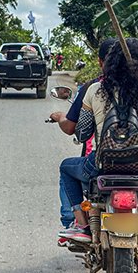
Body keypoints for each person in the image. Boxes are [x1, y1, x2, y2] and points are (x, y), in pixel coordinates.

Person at [57, 38, 138, 246]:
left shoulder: (95, 89)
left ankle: (81, 225)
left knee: (66, 168)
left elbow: (82, 133)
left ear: (111, 61)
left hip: (100, 168)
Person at [50, 38, 116, 229]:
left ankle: (75, 222)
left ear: (100, 61)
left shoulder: (93, 88)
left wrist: (61, 117)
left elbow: (78, 130)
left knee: (66, 168)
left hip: (99, 163)